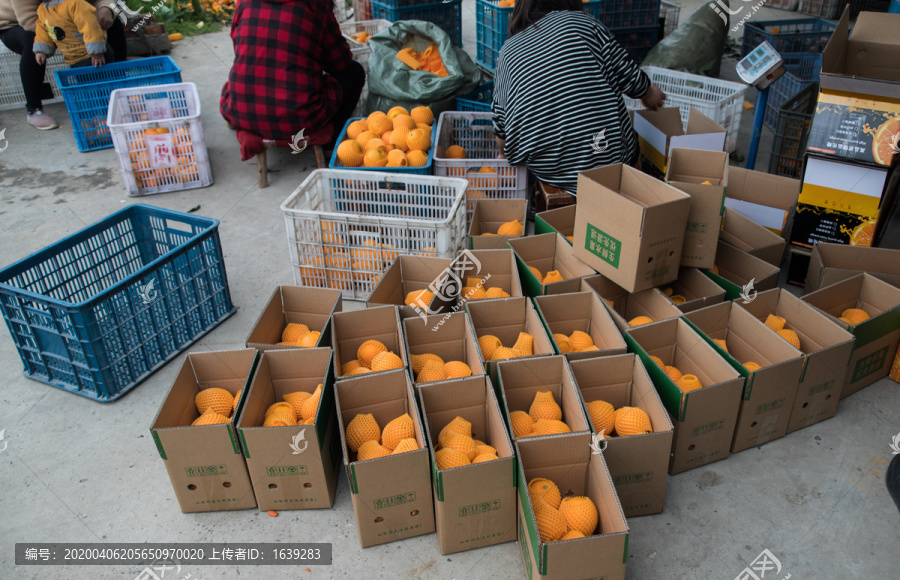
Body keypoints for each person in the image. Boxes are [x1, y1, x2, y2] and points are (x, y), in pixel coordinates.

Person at [491, 0, 666, 194]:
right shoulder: (584, 24)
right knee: (628, 141)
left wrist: (501, 154)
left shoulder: (507, 51)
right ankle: (636, 202)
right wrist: (649, 94)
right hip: (605, 160)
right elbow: (629, 75)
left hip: (548, 169)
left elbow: (501, 126)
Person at [220, 0, 365, 148]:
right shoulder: (316, 5)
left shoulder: (245, 2)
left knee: (244, 72)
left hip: (242, 113)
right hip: (300, 119)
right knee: (355, 72)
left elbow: (238, 45)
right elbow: (340, 63)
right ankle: (332, 141)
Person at [0, 0, 126, 130]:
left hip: (71, 11)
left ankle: (121, 87)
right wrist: (69, 31)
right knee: (34, 41)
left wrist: (106, 9)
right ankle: (34, 109)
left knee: (111, 22)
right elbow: (29, 21)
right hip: (18, 23)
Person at [33, 0, 115, 68]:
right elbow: (42, 32)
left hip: (94, 56)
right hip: (74, 59)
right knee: (83, 85)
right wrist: (41, 51)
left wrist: (96, 51)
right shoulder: (42, 10)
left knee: (105, 82)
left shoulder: (75, 4)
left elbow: (90, 26)